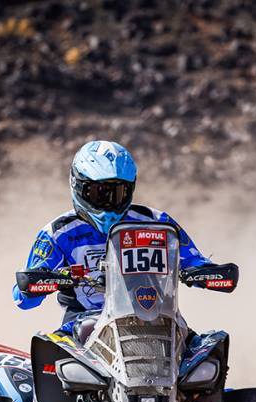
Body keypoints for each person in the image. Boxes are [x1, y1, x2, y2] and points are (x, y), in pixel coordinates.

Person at [13, 139, 215, 334]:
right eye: (97, 193)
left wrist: (208, 273)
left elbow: (194, 261)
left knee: (207, 348)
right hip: (85, 325)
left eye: (117, 193)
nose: (107, 204)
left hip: (155, 321)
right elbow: (22, 299)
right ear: (78, 186)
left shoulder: (157, 222)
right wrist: (50, 280)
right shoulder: (58, 232)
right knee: (49, 353)